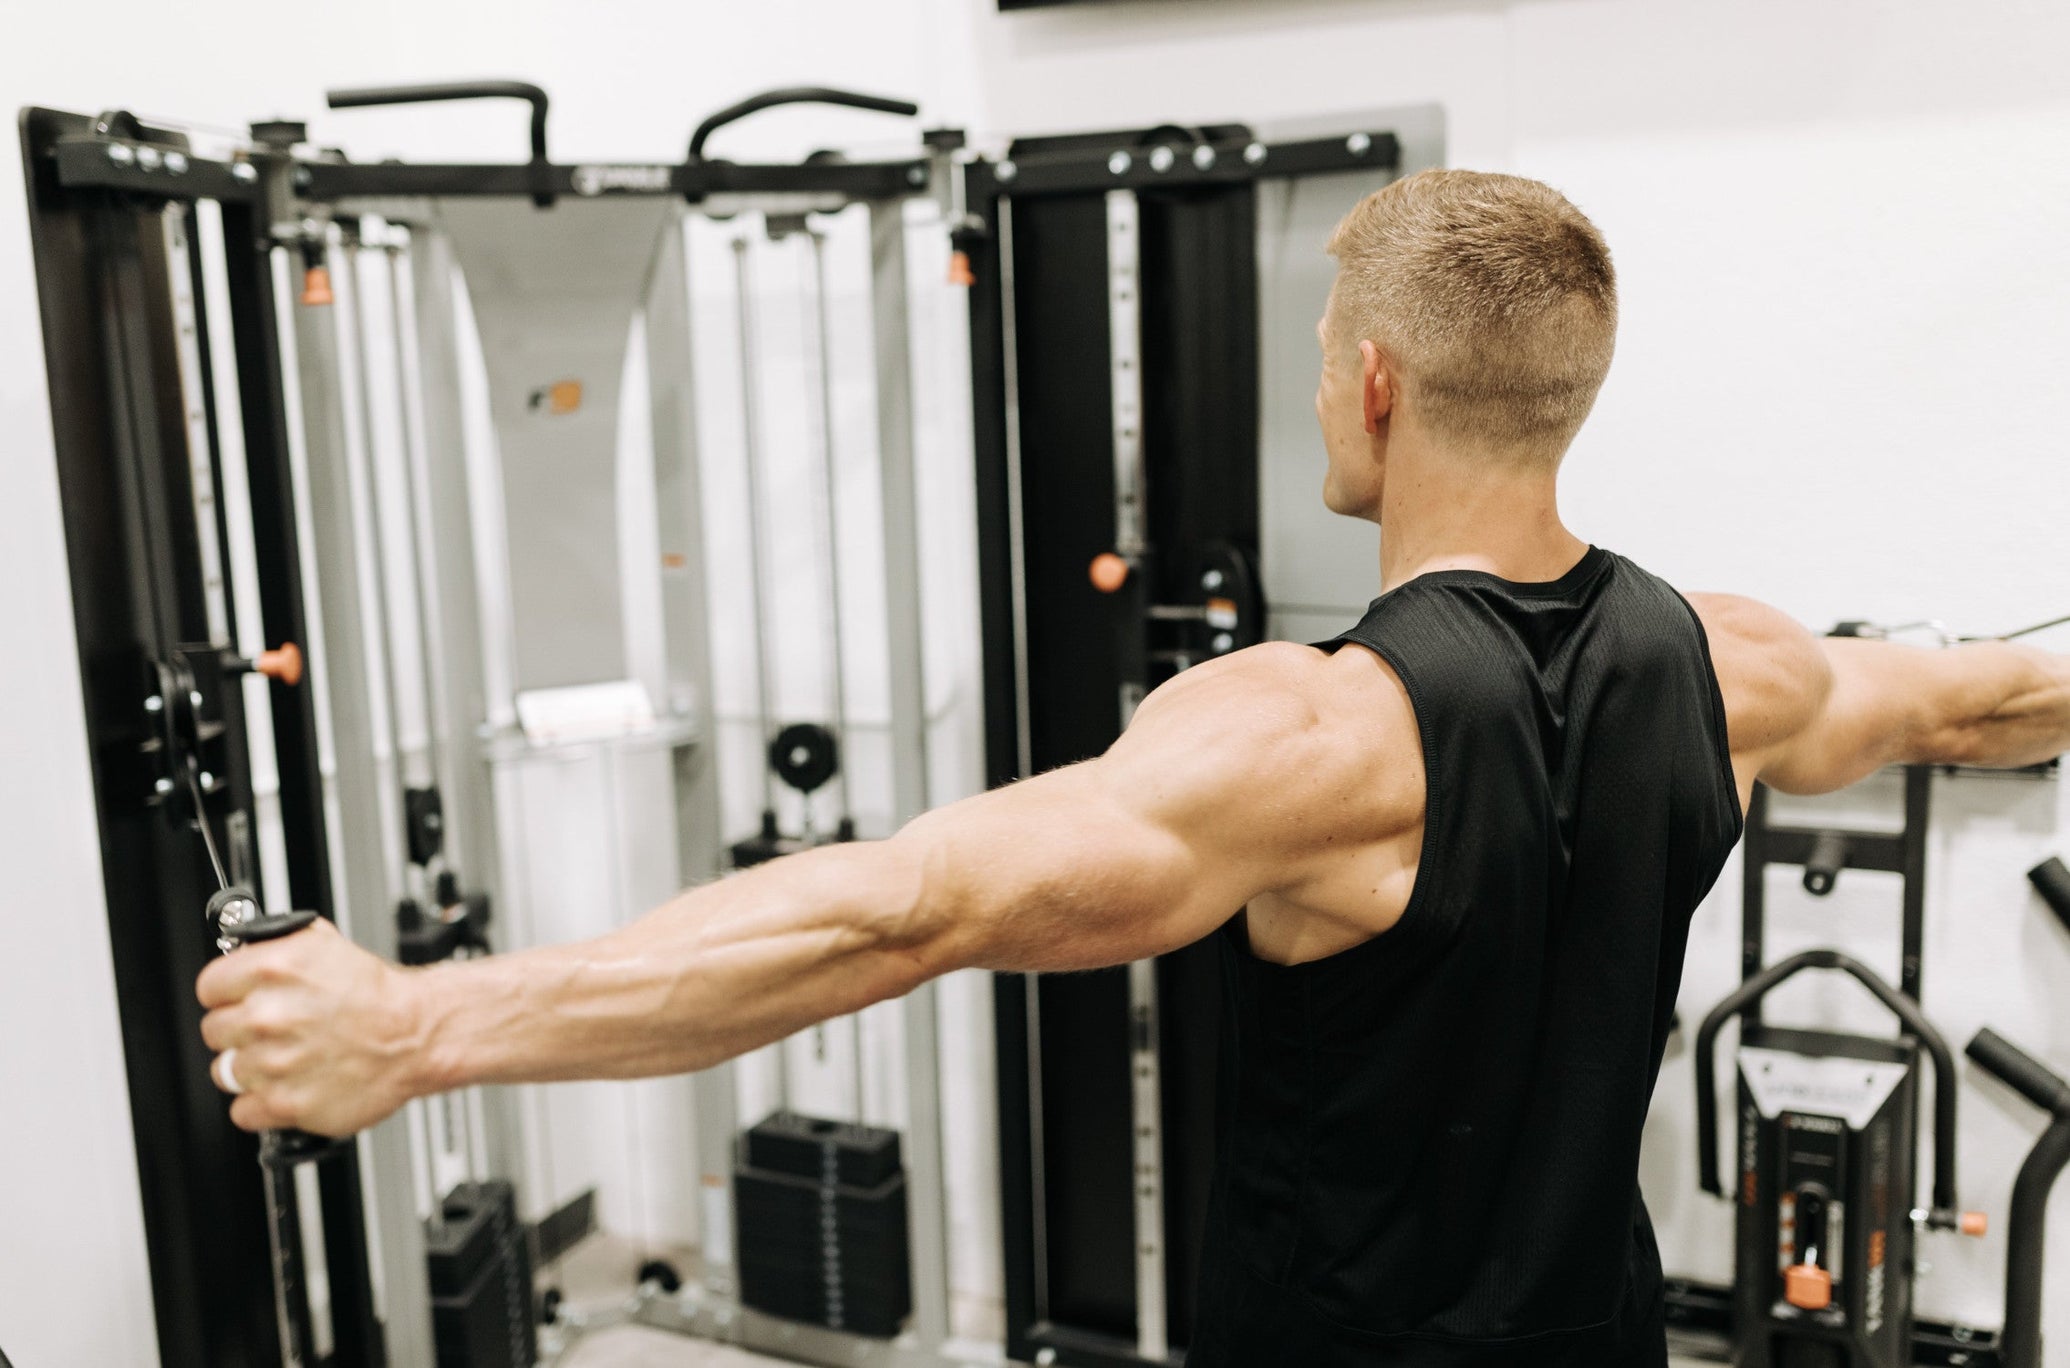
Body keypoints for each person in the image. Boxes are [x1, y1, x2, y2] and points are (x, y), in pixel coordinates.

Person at [196, 170, 2070, 1366]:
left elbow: (896, 913)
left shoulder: (1314, 734)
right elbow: (1986, 701)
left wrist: (418, 1029)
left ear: (1376, 390)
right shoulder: (1725, 659)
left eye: (1334, 346)